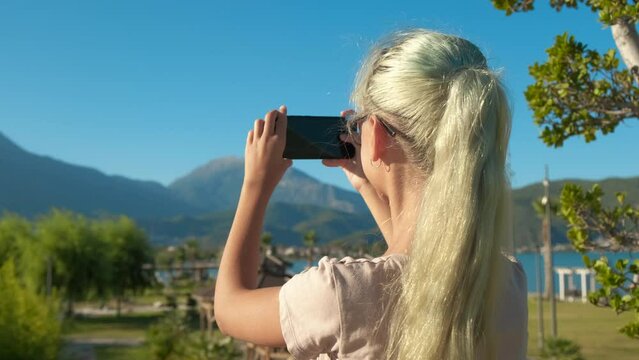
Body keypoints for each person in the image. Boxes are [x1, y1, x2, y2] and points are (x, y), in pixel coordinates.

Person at [214, 29, 528, 359]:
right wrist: (366, 184)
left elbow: (229, 307)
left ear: (375, 135)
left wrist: (256, 186)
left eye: (360, 120)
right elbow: (422, 266)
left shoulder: (338, 294)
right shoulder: (508, 284)